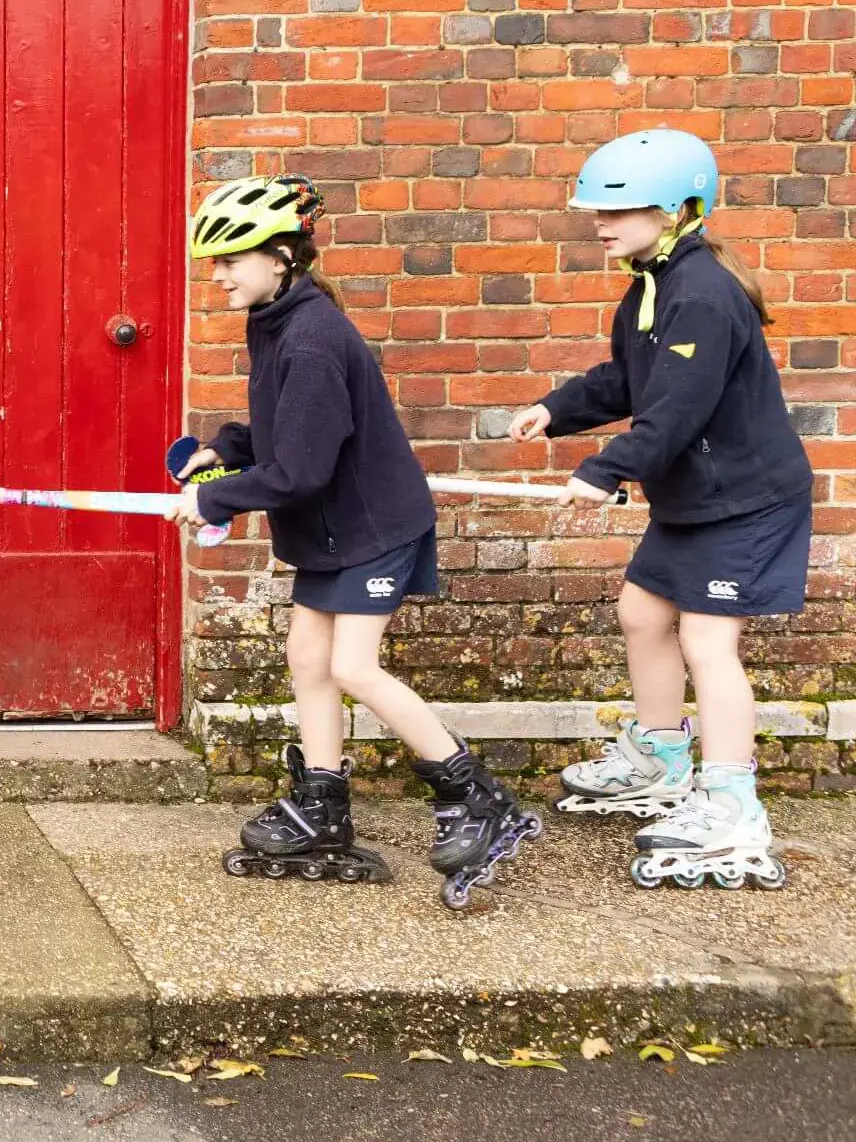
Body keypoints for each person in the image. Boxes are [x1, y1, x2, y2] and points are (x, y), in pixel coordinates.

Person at [171, 175, 539, 910]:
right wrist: (225, 448)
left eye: (228, 261)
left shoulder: (311, 337)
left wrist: (213, 498)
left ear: (279, 256)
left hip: (372, 527)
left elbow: (301, 470)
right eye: (212, 263)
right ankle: (323, 803)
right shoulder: (276, 321)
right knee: (306, 658)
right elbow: (287, 429)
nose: (216, 276)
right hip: (333, 530)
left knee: (353, 666)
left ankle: (477, 797)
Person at [510, 128, 809, 891]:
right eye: (598, 212)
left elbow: (675, 412)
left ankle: (732, 803)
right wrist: (556, 409)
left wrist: (606, 472)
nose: (602, 224)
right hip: (697, 497)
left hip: (745, 502)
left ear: (678, 210)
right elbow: (628, 379)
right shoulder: (652, 281)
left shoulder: (703, 294)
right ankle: (662, 755)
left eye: (625, 210)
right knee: (643, 612)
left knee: (709, 644)